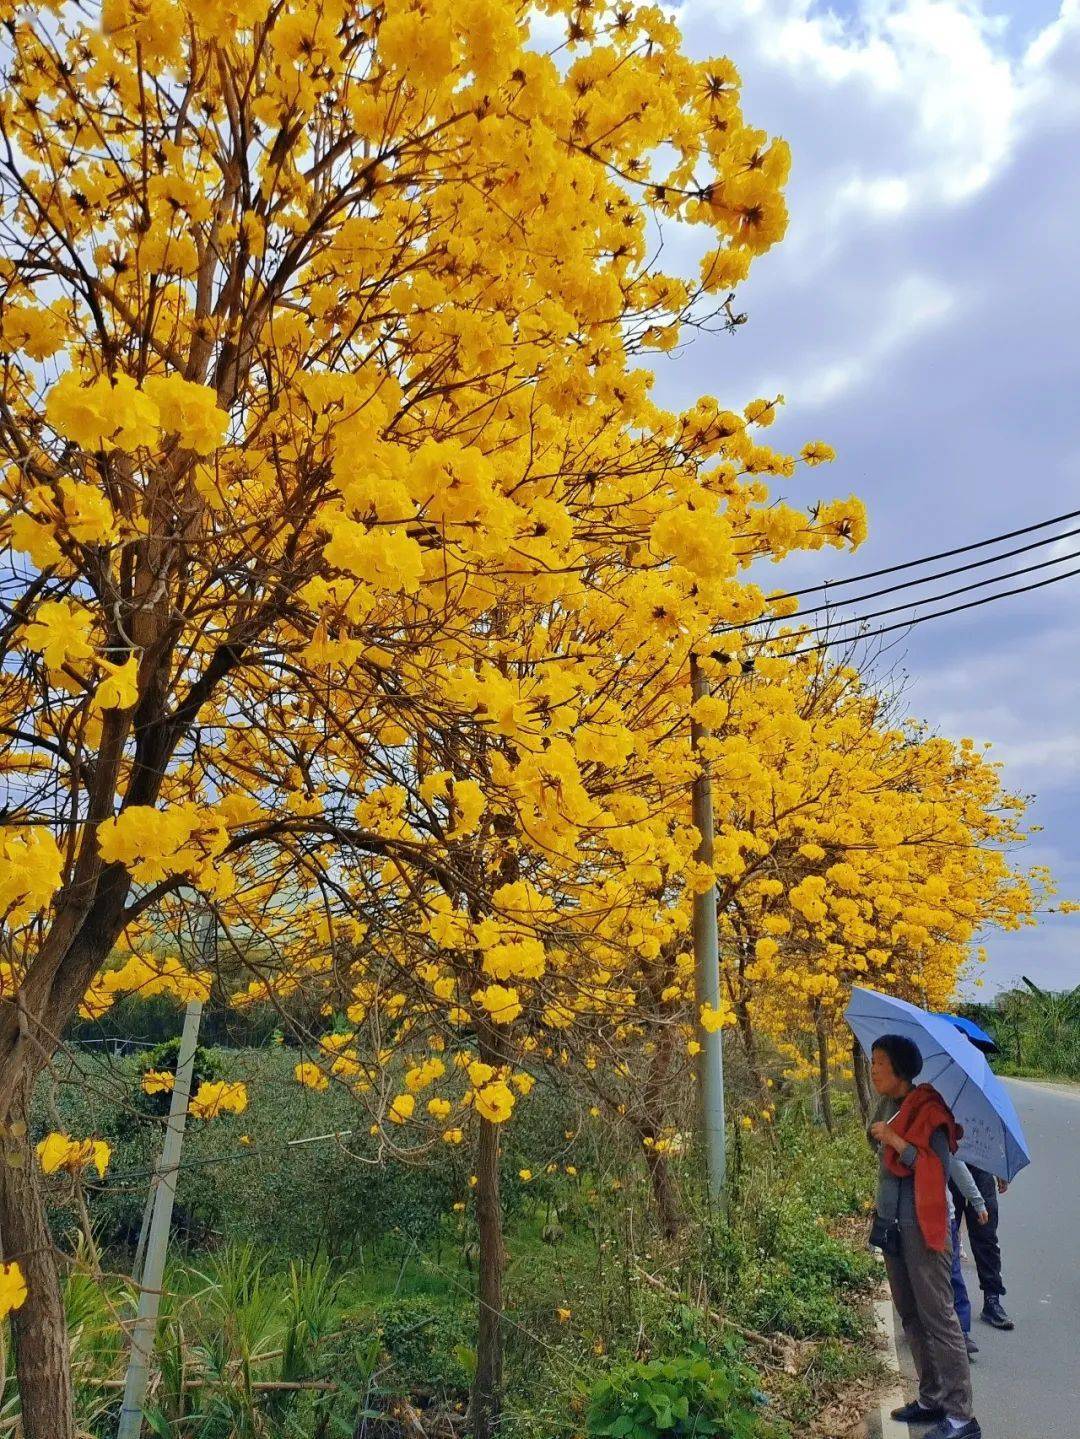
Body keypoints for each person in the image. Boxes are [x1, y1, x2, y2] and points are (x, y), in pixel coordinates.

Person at [869, 1034, 981, 1439]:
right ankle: (932, 1396)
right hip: (892, 1225)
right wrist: (882, 1135)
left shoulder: (931, 1111)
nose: (873, 1069)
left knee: (939, 1317)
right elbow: (878, 1150)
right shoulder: (889, 1105)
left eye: (879, 1062)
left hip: (925, 1225)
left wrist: (896, 1140)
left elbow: (935, 1167)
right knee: (910, 1313)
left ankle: (961, 1416)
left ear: (899, 1068)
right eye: (872, 1061)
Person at [951, 1163, 1013, 1330]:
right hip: (948, 1162)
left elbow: (994, 1135)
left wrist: (999, 1166)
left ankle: (992, 1299)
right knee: (946, 1238)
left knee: (986, 1236)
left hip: (980, 1165)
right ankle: (946, 1303)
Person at [948, 1157, 990, 1357]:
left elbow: (955, 1165)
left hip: (942, 1218)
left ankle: (961, 1333)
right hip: (910, 1218)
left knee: (953, 1274)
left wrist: (977, 1201)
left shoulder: (940, 1132)